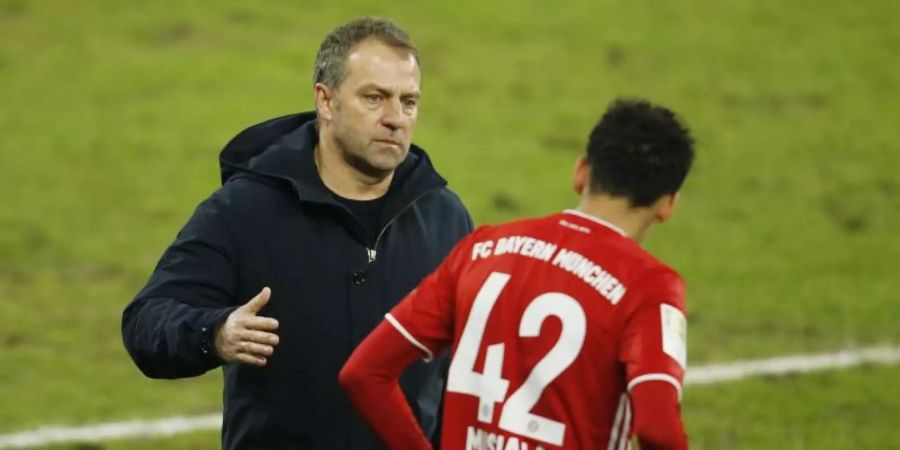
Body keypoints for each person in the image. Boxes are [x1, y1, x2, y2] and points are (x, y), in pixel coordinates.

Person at [121, 17, 473, 450]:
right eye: (374, 98)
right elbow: (145, 320)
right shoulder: (246, 210)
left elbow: (469, 365)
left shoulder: (445, 218)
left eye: (409, 102)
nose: (395, 119)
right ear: (325, 101)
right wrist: (215, 332)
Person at [340, 99, 695, 450]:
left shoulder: (483, 248)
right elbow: (658, 431)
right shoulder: (648, 287)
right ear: (668, 204)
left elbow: (365, 372)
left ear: (582, 172)